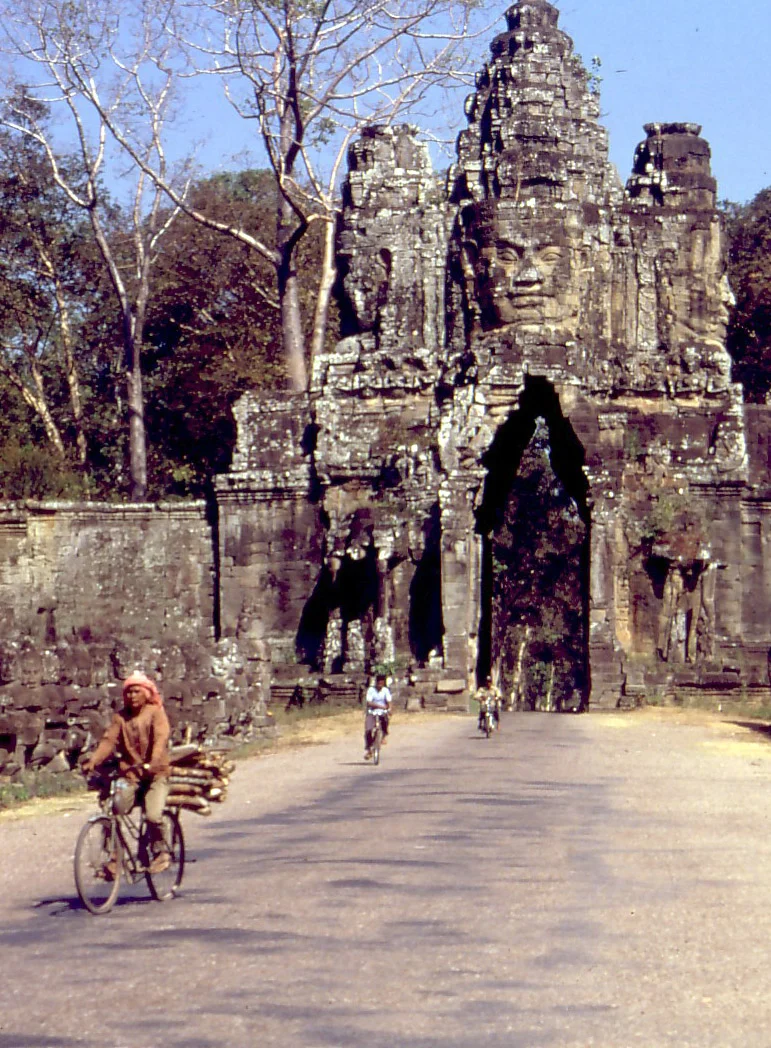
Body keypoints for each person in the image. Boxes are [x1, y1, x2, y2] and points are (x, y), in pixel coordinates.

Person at [81, 671, 172, 874]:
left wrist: (152, 762)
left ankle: (160, 852)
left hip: (156, 774)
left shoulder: (155, 712)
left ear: (146, 693)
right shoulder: (120, 718)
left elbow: (160, 738)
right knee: (112, 811)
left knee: (153, 816)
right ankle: (114, 858)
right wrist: (94, 761)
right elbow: (108, 741)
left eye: (136, 691)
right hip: (131, 776)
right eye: (128, 692)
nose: (131, 696)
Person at [364, 673, 392, 760]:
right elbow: (369, 703)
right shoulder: (371, 690)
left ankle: (383, 735)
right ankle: (368, 748)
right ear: (376, 682)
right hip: (372, 712)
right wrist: (381, 706)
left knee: (385, 721)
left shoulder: (386, 691)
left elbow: (389, 702)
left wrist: (390, 709)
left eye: (382, 683)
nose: (380, 685)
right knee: (368, 730)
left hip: (382, 712)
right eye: (379, 683)